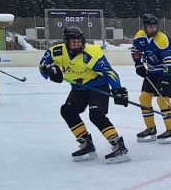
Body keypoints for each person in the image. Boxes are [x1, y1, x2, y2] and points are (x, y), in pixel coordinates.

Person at [39, 27, 129, 163]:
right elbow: (42, 66)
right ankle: (87, 144)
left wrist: (118, 90)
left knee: (96, 115)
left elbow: (109, 72)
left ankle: (118, 145)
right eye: (73, 42)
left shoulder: (91, 54)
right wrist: (51, 70)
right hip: (79, 88)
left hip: (98, 86)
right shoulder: (56, 52)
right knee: (67, 110)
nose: (77, 44)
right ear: (66, 42)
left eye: (79, 41)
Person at [130, 14, 171, 143]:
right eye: (150, 26)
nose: (152, 28)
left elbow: (169, 59)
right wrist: (138, 64)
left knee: (162, 100)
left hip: (166, 73)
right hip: (151, 72)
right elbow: (135, 50)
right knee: (144, 98)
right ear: (145, 27)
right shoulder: (139, 36)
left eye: (154, 26)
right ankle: (150, 128)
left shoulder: (162, 39)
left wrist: (165, 77)